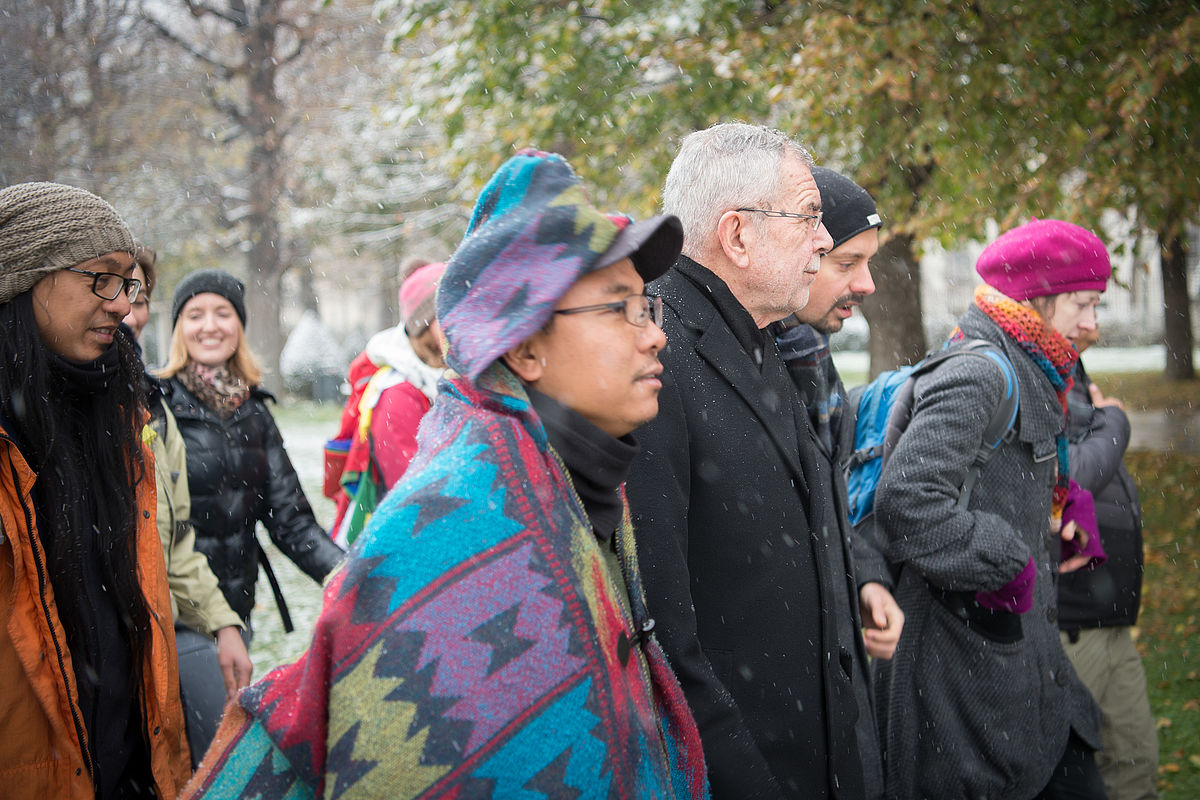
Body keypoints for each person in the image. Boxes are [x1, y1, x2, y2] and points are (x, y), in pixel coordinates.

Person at [182, 149, 708, 799]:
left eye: (646, 307)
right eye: (617, 307)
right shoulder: (453, 527)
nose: (653, 335)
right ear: (524, 347)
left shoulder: (585, 486)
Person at [626, 122, 868, 799]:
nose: (823, 240)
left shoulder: (758, 334)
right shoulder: (654, 353)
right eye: (809, 217)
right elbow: (664, 633)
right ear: (736, 235)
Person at [873, 218, 1110, 799]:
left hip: (1026, 679)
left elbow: (1000, 474)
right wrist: (1009, 559)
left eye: (1097, 305)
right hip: (966, 679)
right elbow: (907, 501)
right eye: (1082, 304)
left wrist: (1061, 507)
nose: (1093, 324)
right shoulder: (980, 371)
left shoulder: (1035, 361)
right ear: (1035, 298)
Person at [0, 181, 188, 798]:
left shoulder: (119, 413)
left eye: (128, 284)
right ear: (24, 278)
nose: (122, 305)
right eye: (102, 279)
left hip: (127, 768)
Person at [772, 166, 902, 799]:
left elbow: (834, 497)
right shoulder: (745, 368)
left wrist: (866, 575)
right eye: (847, 262)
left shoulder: (812, 361)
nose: (867, 284)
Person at [157, 269, 344, 637]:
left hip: (237, 611)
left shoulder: (253, 412)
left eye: (222, 313)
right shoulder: (156, 404)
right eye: (195, 315)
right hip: (172, 614)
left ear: (239, 326)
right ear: (179, 328)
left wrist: (343, 573)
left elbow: (290, 519)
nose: (210, 326)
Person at [123, 246, 254, 767]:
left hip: (202, 609)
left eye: (138, 298)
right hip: (129, 637)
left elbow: (176, 541)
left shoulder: (156, 410)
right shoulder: (165, 400)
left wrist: (224, 622)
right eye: (195, 314)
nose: (126, 311)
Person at [1059, 324, 1159, 800]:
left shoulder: (1071, 369)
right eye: (1083, 302)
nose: (1091, 320)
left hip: (1111, 618)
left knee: (1136, 763)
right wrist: (1113, 419)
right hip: (1072, 624)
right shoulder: (1028, 374)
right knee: (1067, 773)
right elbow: (1075, 473)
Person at [326, 259, 447, 547]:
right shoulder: (397, 395)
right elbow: (412, 492)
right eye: (447, 312)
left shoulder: (437, 377)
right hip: (404, 544)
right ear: (423, 322)